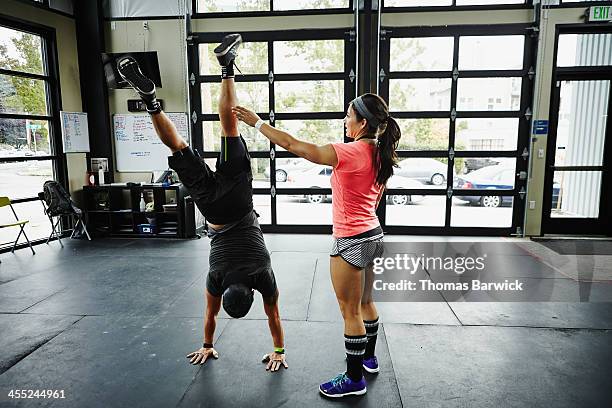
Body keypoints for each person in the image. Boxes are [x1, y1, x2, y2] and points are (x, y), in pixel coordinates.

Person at [116, 33, 288, 373]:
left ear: (251, 292)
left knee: (229, 129)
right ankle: (151, 100)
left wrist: (280, 349)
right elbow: (209, 317)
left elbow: (275, 316)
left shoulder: (263, 274)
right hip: (211, 208)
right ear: (226, 292)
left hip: (239, 202)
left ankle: (226, 67)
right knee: (178, 147)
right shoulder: (216, 277)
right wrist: (207, 345)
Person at [233, 93, 400, 397]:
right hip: (374, 236)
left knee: (349, 311)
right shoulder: (382, 154)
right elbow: (376, 199)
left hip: (351, 240)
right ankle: (369, 359)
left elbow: (293, 145)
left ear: (363, 122)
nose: (345, 121)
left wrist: (257, 123)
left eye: (349, 116)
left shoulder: (348, 152)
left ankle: (353, 380)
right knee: (365, 303)